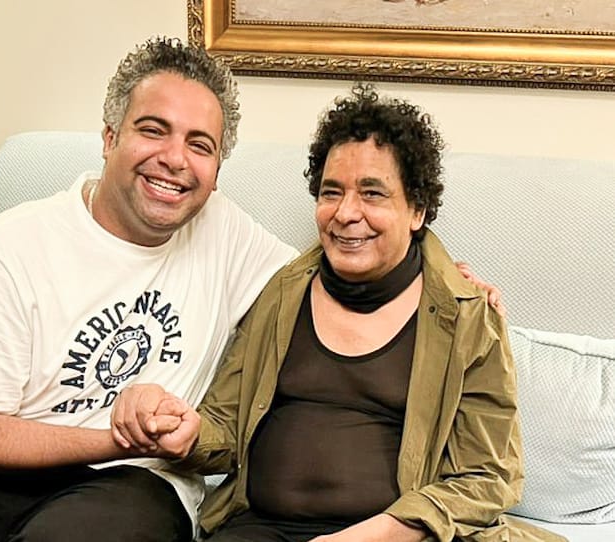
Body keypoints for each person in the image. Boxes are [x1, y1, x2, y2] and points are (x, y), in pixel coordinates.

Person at [113, 84, 563, 541]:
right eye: (332, 192)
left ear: (417, 210)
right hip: (258, 528)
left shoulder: (464, 316)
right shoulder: (282, 292)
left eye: (372, 194)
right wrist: (188, 433)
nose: (346, 213)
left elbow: (487, 477)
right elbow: (226, 426)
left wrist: (370, 536)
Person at [0, 37, 298, 542]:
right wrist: (118, 438)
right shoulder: (11, 246)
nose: (175, 159)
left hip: (136, 484)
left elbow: (324, 280)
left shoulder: (223, 231)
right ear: (110, 138)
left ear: (217, 172)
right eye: (153, 130)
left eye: (200, 145)